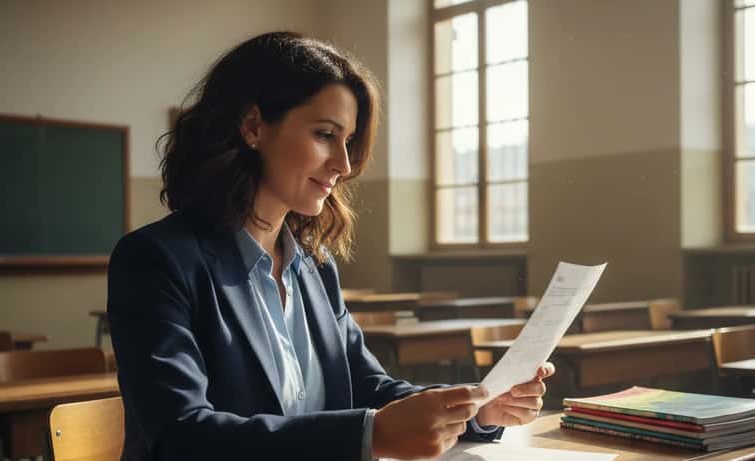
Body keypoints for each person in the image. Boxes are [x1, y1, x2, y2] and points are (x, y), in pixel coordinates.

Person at [107, 31, 554, 461]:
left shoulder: (315, 267)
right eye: (324, 134)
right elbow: (181, 437)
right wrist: (368, 435)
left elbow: (368, 388)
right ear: (253, 126)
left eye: (348, 140)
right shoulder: (155, 261)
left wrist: (479, 408)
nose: (343, 164)